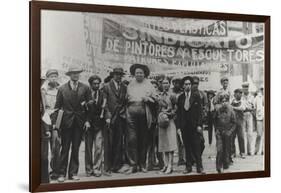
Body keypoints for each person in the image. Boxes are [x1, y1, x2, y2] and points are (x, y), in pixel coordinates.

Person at [55, 65, 91, 182]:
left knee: (75, 149)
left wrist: (87, 121)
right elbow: (57, 107)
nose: (76, 75)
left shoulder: (85, 88)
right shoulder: (62, 89)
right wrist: (57, 125)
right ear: (69, 75)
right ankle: (61, 174)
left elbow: (88, 107)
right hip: (66, 123)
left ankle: (73, 173)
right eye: (73, 73)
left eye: (77, 73)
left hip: (79, 123)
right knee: (64, 149)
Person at [125, 63, 157, 174]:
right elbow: (126, 99)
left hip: (144, 112)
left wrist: (148, 98)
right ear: (134, 74)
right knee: (132, 139)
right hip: (131, 112)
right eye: (137, 73)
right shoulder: (130, 84)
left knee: (143, 139)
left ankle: (142, 164)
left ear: (144, 74)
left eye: (141, 73)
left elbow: (155, 99)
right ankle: (133, 164)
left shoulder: (149, 85)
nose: (139, 74)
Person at [176, 76, 205, 174]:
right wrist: (179, 127)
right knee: (187, 147)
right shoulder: (180, 98)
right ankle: (188, 167)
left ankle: (199, 167)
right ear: (183, 86)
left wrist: (199, 125)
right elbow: (179, 113)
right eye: (185, 84)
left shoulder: (196, 96)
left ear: (191, 85)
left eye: (189, 84)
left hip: (194, 126)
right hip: (185, 126)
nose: (187, 86)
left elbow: (200, 112)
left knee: (196, 146)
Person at [102, 67, 127, 174]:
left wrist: (122, 113)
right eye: (117, 74)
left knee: (118, 142)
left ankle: (116, 166)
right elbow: (105, 104)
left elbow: (125, 102)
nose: (119, 76)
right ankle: (107, 167)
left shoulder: (124, 87)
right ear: (113, 75)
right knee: (108, 143)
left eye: (120, 74)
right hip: (110, 118)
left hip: (120, 118)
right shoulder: (106, 87)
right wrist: (107, 117)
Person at [84, 75, 107, 177]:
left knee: (98, 147)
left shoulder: (103, 94)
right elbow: (82, 110)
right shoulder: (85, 94)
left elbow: (105, 108)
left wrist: (106, 117)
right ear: (90, 84)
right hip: (88, 125)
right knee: (88, 148)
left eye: (98, 83)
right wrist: (86, 121)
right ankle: (88, 169)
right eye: (94, 84)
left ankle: (96, 168)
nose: (96, 85)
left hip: (99, 124)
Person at [41, 69, 60, 181]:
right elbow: (43, 108)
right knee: (44, 149)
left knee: (56, 146)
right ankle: (44, 173)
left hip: (56, 118)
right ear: (48, 78)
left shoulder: (60, 89)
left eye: (55, 76)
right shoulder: (43, 90)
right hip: (45, 119)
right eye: (51, 76)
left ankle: (55, 171)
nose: (53, 78)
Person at [158, 78, 178, 174]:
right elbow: (158, 108)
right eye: (163, 83)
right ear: (161, 84)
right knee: (163, 144)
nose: (165, 85)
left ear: (169, 84)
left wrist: (170, 114)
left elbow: (176, 108)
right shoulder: (160, 95)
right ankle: (165, 165)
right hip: (162, 121)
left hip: (170, 121)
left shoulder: (172, 95)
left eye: (167, 83)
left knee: (170, 144)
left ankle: (170, 165)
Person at [213, 93, 236, 173]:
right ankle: (218, 166)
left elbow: (234, 123)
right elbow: (214, 120)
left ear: (228, 102)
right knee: (219, 149)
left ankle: (225, 165)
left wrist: (230, 131)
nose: (224, 103)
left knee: (227, 150)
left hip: (227, 133)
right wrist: (216, 130)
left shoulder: (231, 111)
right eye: (222, 101)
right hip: (219, 132)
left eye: (225, 101)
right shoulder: (218, 111)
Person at [147, 79, 163, 170]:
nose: (154, 89)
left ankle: (161, 163)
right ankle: (150, 163)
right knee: (150, 145)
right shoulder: (147, 99)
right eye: (152, 87)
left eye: (155, 87)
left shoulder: (159, 97)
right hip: (150, 124)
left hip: (158, 123)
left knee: (159, 144)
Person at [171, 76, 185, 166]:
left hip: (180, 118)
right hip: (171, 118)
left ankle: (181, 158)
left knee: (181, 139)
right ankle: (170, 161)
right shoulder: (170, 93)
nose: (177, 84)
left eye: (179, 83)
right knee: (171, 139)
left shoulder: (182, 93)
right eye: (175, 83)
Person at [231, 88, 246, 159]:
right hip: (233, 122)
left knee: (241, 137)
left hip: (240, 122)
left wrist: (233, 108)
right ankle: (232, 152)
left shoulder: (243, 101)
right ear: (235, 94)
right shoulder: (232, 101)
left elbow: (242, 108)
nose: (239, 94)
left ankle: (242, 152)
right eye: (238, 93)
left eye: (240, 93)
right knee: (232, 137)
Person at [241, 82, 255, 156]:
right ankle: (243, 151)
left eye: (246, 87)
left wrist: (249, 108)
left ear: (248, 88)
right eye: (244, 87)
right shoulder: (241, 96)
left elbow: (253, 107)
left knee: (250, 134)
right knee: (242, 133)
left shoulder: (251, 97)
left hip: (249, 115)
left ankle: (249, 150)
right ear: (242, 88)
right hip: (242, 115)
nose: (245, 89)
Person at [254, 87, 264, 155]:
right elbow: (254, 108)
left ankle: (263, 150)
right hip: (259, 117)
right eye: (262, 89)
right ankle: (256, 149)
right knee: (259, 135)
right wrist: (256, 116)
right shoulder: (257, 97)